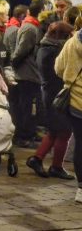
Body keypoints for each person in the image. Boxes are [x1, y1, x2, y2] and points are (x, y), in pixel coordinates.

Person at [27, 21, 75, 180]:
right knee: (64, 131)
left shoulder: (43, 47)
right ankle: (56, 166)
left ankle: (37, 158)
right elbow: (62, 71)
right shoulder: (56, 50)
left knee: (54, 130)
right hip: (57, 93)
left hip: (49, 93)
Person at [54, 25, 82, 204]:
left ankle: (81, 188)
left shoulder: (72, 43)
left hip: (74, 101)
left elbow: (58, 68)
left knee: (80, 142)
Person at [11, 0, 44, 148]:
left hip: (31, 72)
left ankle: (30, 132)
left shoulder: (33, 26)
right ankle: (22, 136)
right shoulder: (30, 28)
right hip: (26, 73)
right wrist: (15, 63)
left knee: (31, 106)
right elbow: (21, 50)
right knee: (25, 107)